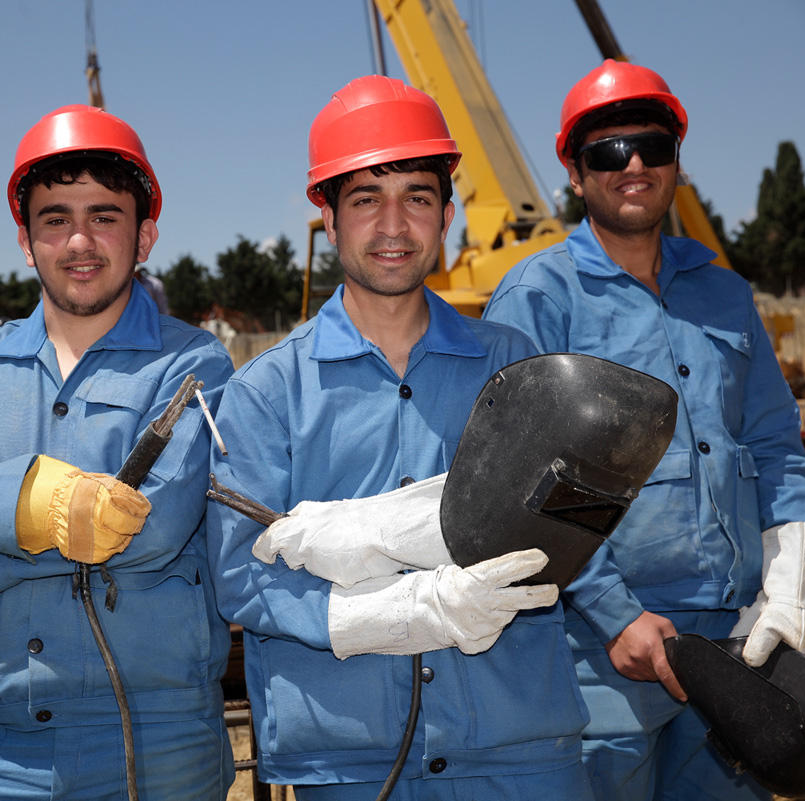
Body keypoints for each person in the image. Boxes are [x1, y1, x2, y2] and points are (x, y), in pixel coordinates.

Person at [207, 74, 595, 800]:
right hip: (351, 759)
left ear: (446, 215)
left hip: (517, 750)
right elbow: (238, 574)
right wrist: (385, 616)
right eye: (365, 200)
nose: (393, 225)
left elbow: (571, 529)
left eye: (417, 197)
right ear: (325, 215)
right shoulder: (265, 392)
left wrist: (387, 533)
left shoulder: (515, 368)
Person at [483, 59, 805, 801]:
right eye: (607, 151)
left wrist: (794, 581)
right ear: (576, 175)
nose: (632, 164)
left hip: (734, 642)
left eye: (652, 145)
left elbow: (774, 445)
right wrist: (615, 613)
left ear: (676, 160)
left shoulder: (725, 293)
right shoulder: (537, 296)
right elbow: (519, 477)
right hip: (594, 652)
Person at [0, 104, 236, 800]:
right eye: (55, 218)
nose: (80, 240)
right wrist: (35, 504)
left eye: (104, 215)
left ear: (145, 234)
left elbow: (146, 529)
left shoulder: (192, 363)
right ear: (24, 237)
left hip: (159, 741)